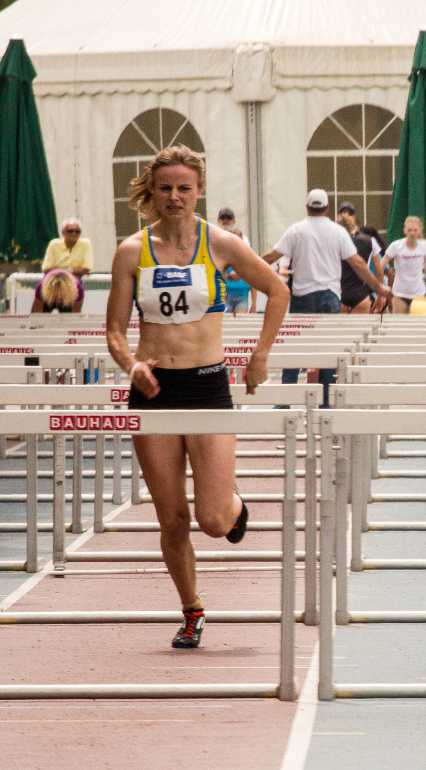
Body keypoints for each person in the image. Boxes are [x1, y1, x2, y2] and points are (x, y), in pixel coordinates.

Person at [104, 145, 291, 649]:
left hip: (207, 385)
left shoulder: (222, 244)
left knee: (212, 520)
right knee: (172, 518)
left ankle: (233, 505)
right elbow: (116, 333)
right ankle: (192, 610)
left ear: (199, 190)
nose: (174, 196)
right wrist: (132, 365)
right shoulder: (130, 252)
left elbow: (278, 290)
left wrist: (259, 355)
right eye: (165, 188)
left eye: (183, 188)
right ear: (152, 190)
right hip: (154, 391)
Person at [262, 190, 390, 404]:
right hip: (330, 296)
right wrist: (379, 287)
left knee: (294, 348)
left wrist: (241, 271)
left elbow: (270, 257)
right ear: (328, 208)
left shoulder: (296, 230)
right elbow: (358, 264)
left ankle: (284, 399)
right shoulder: (338, 232)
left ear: (306, 207)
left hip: (302, 295)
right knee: (328, 349)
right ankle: (325, 401)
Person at [336, 202, 384, 314]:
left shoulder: (333, 239)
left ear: (338, 218)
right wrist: (380, 295)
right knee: (360, 330)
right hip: (361, 294)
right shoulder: (370, 240)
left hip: (339, 292)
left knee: (340, 330)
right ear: (353, 218)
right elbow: (379, 273)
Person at [382, 216, 426, 314]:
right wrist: (380, 286)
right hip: (400, 292)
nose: (412, 233)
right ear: (404, 231)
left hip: (418, 292)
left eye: (415, 230)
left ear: (419, 231)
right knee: (399, 325)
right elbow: (381, 266)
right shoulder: (396, 245)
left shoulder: (425, 245)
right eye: (409, 230)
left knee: (418, 325)